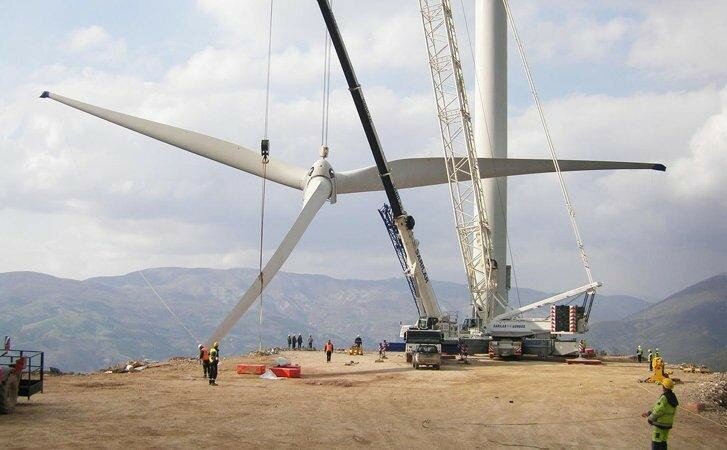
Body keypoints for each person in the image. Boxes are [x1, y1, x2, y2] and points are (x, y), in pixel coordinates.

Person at [642, 378, 678, 449]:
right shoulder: (673, 397)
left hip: (660, 424)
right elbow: (660, 408)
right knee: (663, 442)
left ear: (664, 387)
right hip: (667, 424)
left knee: (657, 442)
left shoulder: (664, 397)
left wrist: (650, 419)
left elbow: (658, 410)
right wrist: (649, 413)